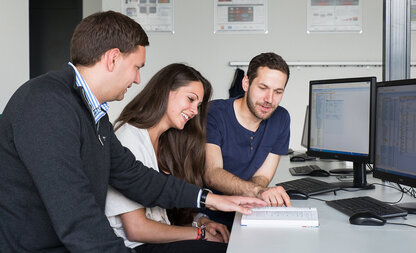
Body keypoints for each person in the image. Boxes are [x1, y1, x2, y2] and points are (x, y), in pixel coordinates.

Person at [0, 11, 265, 252]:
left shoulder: (92, 112)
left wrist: (211, 200)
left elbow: (136, 178)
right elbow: (77, 217)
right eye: (137, 67)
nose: (138, 79)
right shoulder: (46, 104)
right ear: (113, 58)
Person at [105, 63, 229, 253]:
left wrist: (200, 222)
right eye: (190, 99)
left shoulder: (165, 141)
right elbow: (137, 230)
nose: (195, 111)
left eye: (198, 105)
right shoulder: (128, 137)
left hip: (157, 242)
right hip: (136, 247)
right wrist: (199, 234)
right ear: (166, 91)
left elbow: (167, 210)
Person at [203, 52, 292, 228]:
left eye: (278, 92)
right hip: (209, 215)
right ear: (246, 83)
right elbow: (212, 174)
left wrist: (253, 197)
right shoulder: (214, 113)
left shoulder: (281, 118)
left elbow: (263, 175)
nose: (269, 99)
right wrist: (258, 192)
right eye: (263, 88)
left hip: (248, 212)